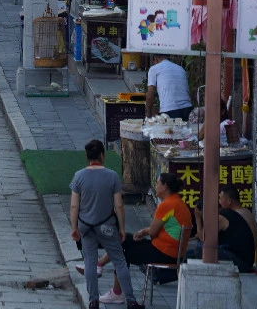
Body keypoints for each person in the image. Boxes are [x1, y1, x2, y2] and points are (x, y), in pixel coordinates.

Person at [70, 139, 136, 309]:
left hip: (86, 225)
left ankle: (93, 300)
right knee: (119, 260)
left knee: (90, 262)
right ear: (102, 155)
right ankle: (130, 299)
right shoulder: (112, 176)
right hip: (106, 225)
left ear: (87, 156)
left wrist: (74, 228)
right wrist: (121, 227)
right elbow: (119, 205)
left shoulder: (78, 176)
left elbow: (74, 205)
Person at [145, 56, 193, 121]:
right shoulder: (180, 68)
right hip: (188, 110)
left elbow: (150, 95)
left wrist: (148, 116)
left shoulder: (154, 69)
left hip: (169, 112)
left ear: (155, 59)